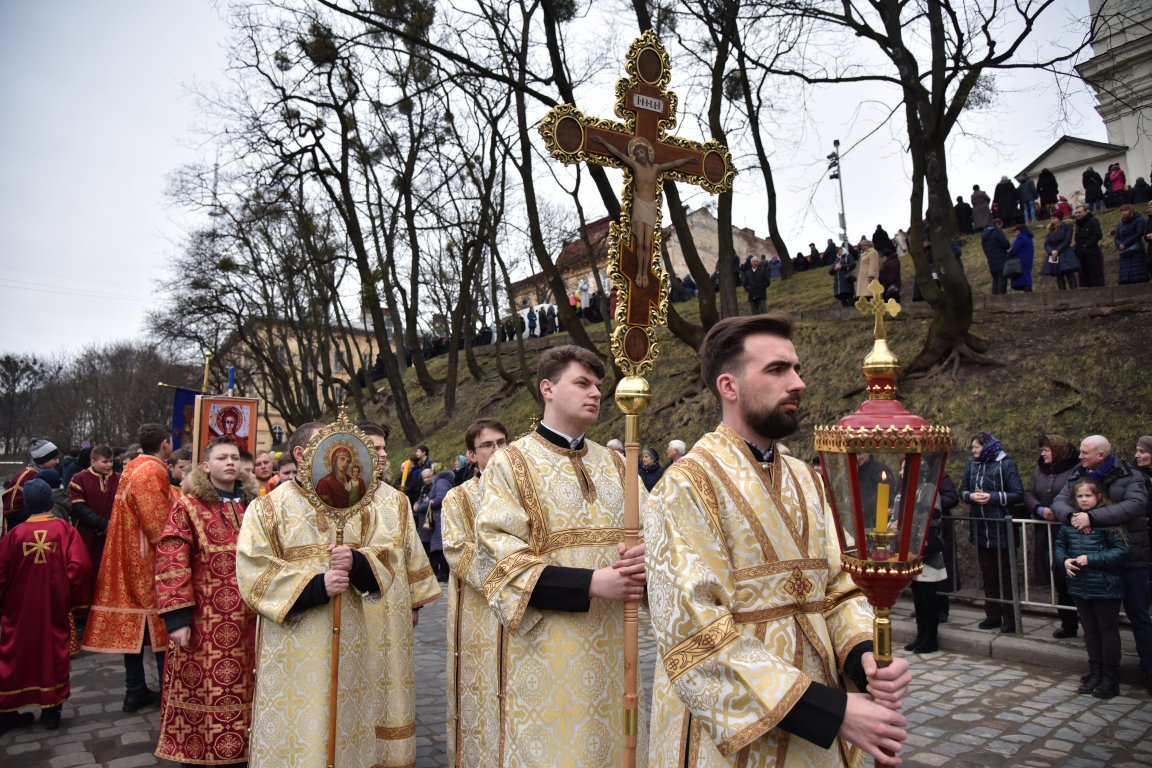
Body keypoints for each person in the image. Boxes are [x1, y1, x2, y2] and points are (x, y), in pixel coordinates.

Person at [645, 314, 910, 766]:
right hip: (736, 738)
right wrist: (830, 711)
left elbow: (839, 586)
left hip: (826, 722)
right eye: (777, 370)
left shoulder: (806, 479)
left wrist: (862, 655)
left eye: (796, 368)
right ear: (728, 386)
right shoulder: (686, 485)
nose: (799, 382)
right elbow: (697, 634)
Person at [473, 345, 648, 767]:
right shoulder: (510, 465)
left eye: (599, 387)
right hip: (550, 652)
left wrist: (649, 560)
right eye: (583, 383)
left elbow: (658, 535)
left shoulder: (618, 463)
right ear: (547, 388)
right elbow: (499, 559)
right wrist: (592, 583)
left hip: (615, 650)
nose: (595, 394)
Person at [236, 421, 441, 768]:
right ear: (301, 456)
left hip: (351, 641)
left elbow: (388, 557)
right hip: (293, 644)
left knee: (347, 726)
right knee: (302, 728)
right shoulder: (268, 508)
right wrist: (317, 586)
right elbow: (252, 571)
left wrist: (358, 562)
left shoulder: (356, 503)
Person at [154, 436, 258, 766]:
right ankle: (201, 755)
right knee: (207, 692)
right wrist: (178, 618)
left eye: (235, 458)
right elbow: (171, 559)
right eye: (222, 457)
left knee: (250, 692)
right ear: (206, 465)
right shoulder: (187, 507)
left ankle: (248, 754)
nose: (230, 462)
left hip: (253, 622)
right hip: (205, 624)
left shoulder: (254, 506)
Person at [82, 423, 174, 712]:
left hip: (127, 553)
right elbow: (156, 522)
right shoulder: (151, 470)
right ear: (166, 443)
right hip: (146, 559)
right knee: (160, 624)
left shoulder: (133, 466)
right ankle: (165, 692)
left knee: (136, 626)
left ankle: (135, 689)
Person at [1051, 435, 1151, 696]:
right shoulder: (1078, 473)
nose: (1080, 456)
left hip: (1131, 557)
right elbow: (1061, 501)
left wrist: (1092, 518)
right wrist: (1073, 516)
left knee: (1138, 616)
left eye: (1085, 452)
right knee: (1094, 624)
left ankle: (1149, 669)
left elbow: (1135, 505)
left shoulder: (1131, 475)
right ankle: (1102, 673)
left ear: (1102, 455)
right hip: (1092, 561)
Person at [441, 418, 508, 767]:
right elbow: (456, 550)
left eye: (502, 442)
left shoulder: (526, 490)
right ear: (471, 455)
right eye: (487, 445)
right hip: (477, 610)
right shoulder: (458, 498)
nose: (497, 451)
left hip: (526, 606)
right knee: (481, 691)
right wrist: (511, 579)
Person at [0, 479, 91, 734]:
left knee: (15, 654)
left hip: (18, 609)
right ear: (50, 503)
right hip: (53, 604)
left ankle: (8, 711)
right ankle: (51, 711)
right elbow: (80, 567)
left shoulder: (15, 534)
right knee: (52, 652)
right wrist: (70, 595)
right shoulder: (65, 530)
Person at [1054, 478, 1129, 699]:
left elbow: (1122, 550)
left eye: (1088, 495)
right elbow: (1060, 546)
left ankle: (1110, 677)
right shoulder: (1070, 523)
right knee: (1090, 630)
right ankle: (1095, 672)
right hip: (1079, 584)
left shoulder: (1108, 520)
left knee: (1107, 630)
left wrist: (1092, 559)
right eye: (1080, 496)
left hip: (1105, 584)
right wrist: (1064, 561)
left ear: (1098, 497)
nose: (1084, 500)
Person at [960, 432, 1025, 633]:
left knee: (1006, 574)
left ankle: (1010, 616)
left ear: (987, 447)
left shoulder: (1006, 464)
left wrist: (992, 497)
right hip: (981, 527)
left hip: (1002, 527)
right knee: (988, 573)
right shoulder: (972, 464)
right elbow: (962, 490)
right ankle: (992, 614)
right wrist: (971, 495)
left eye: (976, 447)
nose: (973, 451)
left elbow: (1017, 494)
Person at [1025, 434, 1082, 639]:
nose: (1042, 454)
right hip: (1047, 531)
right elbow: (1029, 493)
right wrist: (1040, 510)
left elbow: (1080, 495)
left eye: (1046, 450)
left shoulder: (1076, 469)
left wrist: (1059, 512)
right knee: (1058, 578)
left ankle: (1086, 621)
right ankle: (1068, 623)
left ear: (1057, 451)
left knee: (1074, 576)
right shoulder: (1040, 470)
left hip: (1070, 531)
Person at [904, 458, 957, 654]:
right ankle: (920, 635)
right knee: (918, 596)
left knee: (928, 597)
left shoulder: (928, 489)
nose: (902, 472)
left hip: (927, 551)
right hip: (913, 551)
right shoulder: (909, 490)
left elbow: (932, 517)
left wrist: (909, 520)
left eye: (905, 469)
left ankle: (931, 637)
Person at [67, 444, 120, 580]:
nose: (109, 465)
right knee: (88, 570)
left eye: (111, 461)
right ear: (93, 461)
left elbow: (123, 506)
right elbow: (79, 508)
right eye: (105, 462)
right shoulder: (79, 479)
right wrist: (103, 525)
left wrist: (112, 525)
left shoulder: (120, 479)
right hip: (87, 534)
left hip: (113, 534)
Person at [3, 438, 61, 533]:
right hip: (24, 531)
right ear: (43, 459)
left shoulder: (46, 473)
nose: (57, 461)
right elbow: (11, 511)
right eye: (54, 459)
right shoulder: (25, 477)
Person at [427, 466, 454, 582]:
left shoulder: (441, 482)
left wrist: (430, 502)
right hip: (440, 517)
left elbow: (441, 498)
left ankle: (444, 573)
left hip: (440, 518)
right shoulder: (444, 481)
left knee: (440, 547)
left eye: (432, 470)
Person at [1041, 216, 1080, 290]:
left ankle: (1074, 290)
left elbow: (1067, 240)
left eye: (1054, 218)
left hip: (1065, 252)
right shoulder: (1050, 230)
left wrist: (1058, 250)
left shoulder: (1066, 227)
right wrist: (1051, 251)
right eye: (1052, 218)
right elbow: (1046, 244)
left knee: (1069, 273)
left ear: (1059, 219)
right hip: (1053, 254)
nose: (1052, 220)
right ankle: (1061, 293)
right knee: (1058, 274)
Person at [1115, 204, 1149, 285]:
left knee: (1138, 270)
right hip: (1124, 251)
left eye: (1125, 210)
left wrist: (1125, 243)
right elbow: (1117, 237)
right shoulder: (1121, 224)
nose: (1123, 212)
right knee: (1125, 271)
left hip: (1136, 249)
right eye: (1122, 211)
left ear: (1131, 211)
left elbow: (1139, 233)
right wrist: (1119, 244)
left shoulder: (1139, 220)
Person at [1072, 204, 1106, 287]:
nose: (1077, 214)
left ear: (1086, 212)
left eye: (1079, 212)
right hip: (1081, 254)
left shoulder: (1093, 221)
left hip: (1092, 253)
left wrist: (1086, 245)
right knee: (1085, 276)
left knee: (1096, 275)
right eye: (1076, 213)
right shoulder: (1078, 225)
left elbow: (1098, 235)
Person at [980, 218, 1012, 295]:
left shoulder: (984, 237)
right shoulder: (997, 232)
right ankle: (1001, 300)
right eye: (1001, 225)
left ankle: (993, 300)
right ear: (998, 224)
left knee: (995, 281)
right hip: (1001, 260)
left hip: (991, 262)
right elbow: (1006, 245)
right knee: (1002, 281)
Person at [1007, 223, 1035, 292]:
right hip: (1028, 259)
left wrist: (1008, 255)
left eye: (1016, 231)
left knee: (1023, 277)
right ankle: (1029, 291)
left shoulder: (1020, 238)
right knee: (1027, 276)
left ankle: (1027, 292)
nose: (1015, 234)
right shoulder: (1029, 238)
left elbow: (1014, 250)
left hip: (1020, 260)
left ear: (1020, 230)